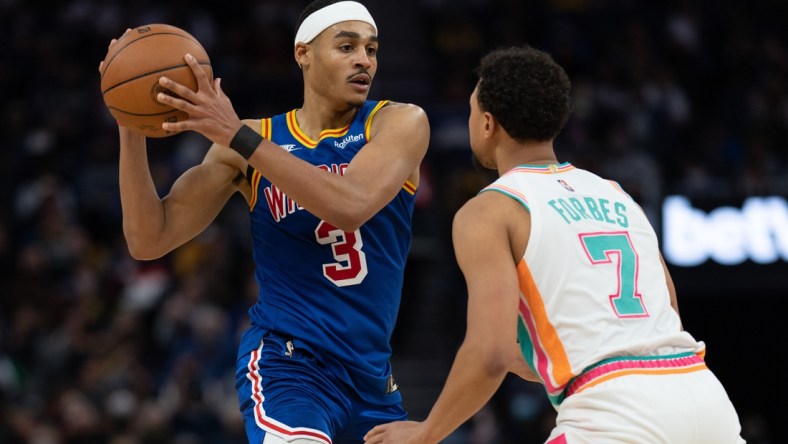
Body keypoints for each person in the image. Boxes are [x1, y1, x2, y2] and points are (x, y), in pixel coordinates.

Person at [363, 46, 745, 444]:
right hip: (702, 394)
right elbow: (663, 318)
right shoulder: (617, 194)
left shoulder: (490, 210)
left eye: (473, 110)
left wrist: (427, 432)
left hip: (616, 413)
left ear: (488, 124)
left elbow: (488, 353)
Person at [100, 1, 429, 443]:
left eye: (371, 49)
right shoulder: (254, 141)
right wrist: (130, 125)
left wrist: (236, 133)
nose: (363, 60)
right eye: (346, 46)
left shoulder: (398, 122)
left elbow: (349, 205)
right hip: (288, 364)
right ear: (303, 53)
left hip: (371, 377)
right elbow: (148, 239)